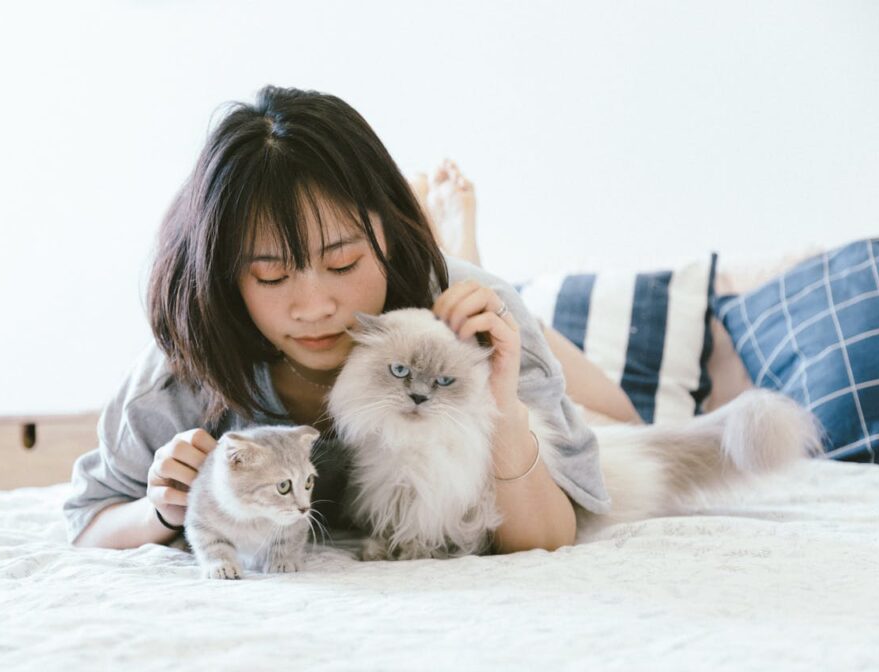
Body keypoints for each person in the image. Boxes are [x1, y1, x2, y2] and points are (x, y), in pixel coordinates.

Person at [64, 85, 634, 553]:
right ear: (222, 278)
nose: (314, 307)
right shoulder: (183, 367)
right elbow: (90, 524)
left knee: (623, 421)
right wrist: (159, 510)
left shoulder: (477, 320)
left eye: (343, 261)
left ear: (388, 229)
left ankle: (460, 249)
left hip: (441, 302)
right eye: (269, 275)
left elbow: (551, 536)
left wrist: (503, 407)